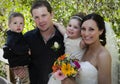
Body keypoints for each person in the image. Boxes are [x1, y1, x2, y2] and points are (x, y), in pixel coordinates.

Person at [24, 1, 65, 84]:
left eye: (44, 15)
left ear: (52, 14)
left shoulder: (64, 37)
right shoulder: (27, 37)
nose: (41, 21)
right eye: (36, 17)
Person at [48, 12, 86, 84]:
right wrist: (51, 23)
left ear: (81, 31)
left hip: (77, 69)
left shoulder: (81, 42)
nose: (71, 28)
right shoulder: (66, 37)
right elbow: (59, 26)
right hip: (65, 67)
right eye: (69, 25)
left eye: (75, 27)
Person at [3, 12, 30, 84]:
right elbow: (15, 48)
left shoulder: (17, 35)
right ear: (9, 25)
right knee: (26, 81)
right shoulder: (12, 37)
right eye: (15, 23)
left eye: (21, 23)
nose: (18, 25)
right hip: (19, 65)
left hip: (20, 63)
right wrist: (27, 50)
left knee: (23, 80)